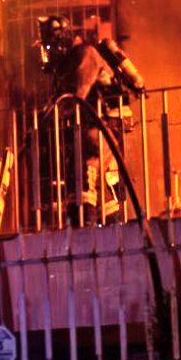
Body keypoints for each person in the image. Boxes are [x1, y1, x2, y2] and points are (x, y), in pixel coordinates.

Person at [37, 16, 146, 225]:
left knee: (85, 171)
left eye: (50, 46)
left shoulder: (85, 54)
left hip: (103, 122)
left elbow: (78, 96)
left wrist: (51, 116)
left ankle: (84, 224)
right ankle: (108, 224)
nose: (49, 53)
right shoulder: (76, 58)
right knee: (98, 179)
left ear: (61, 40)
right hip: (100, 123)